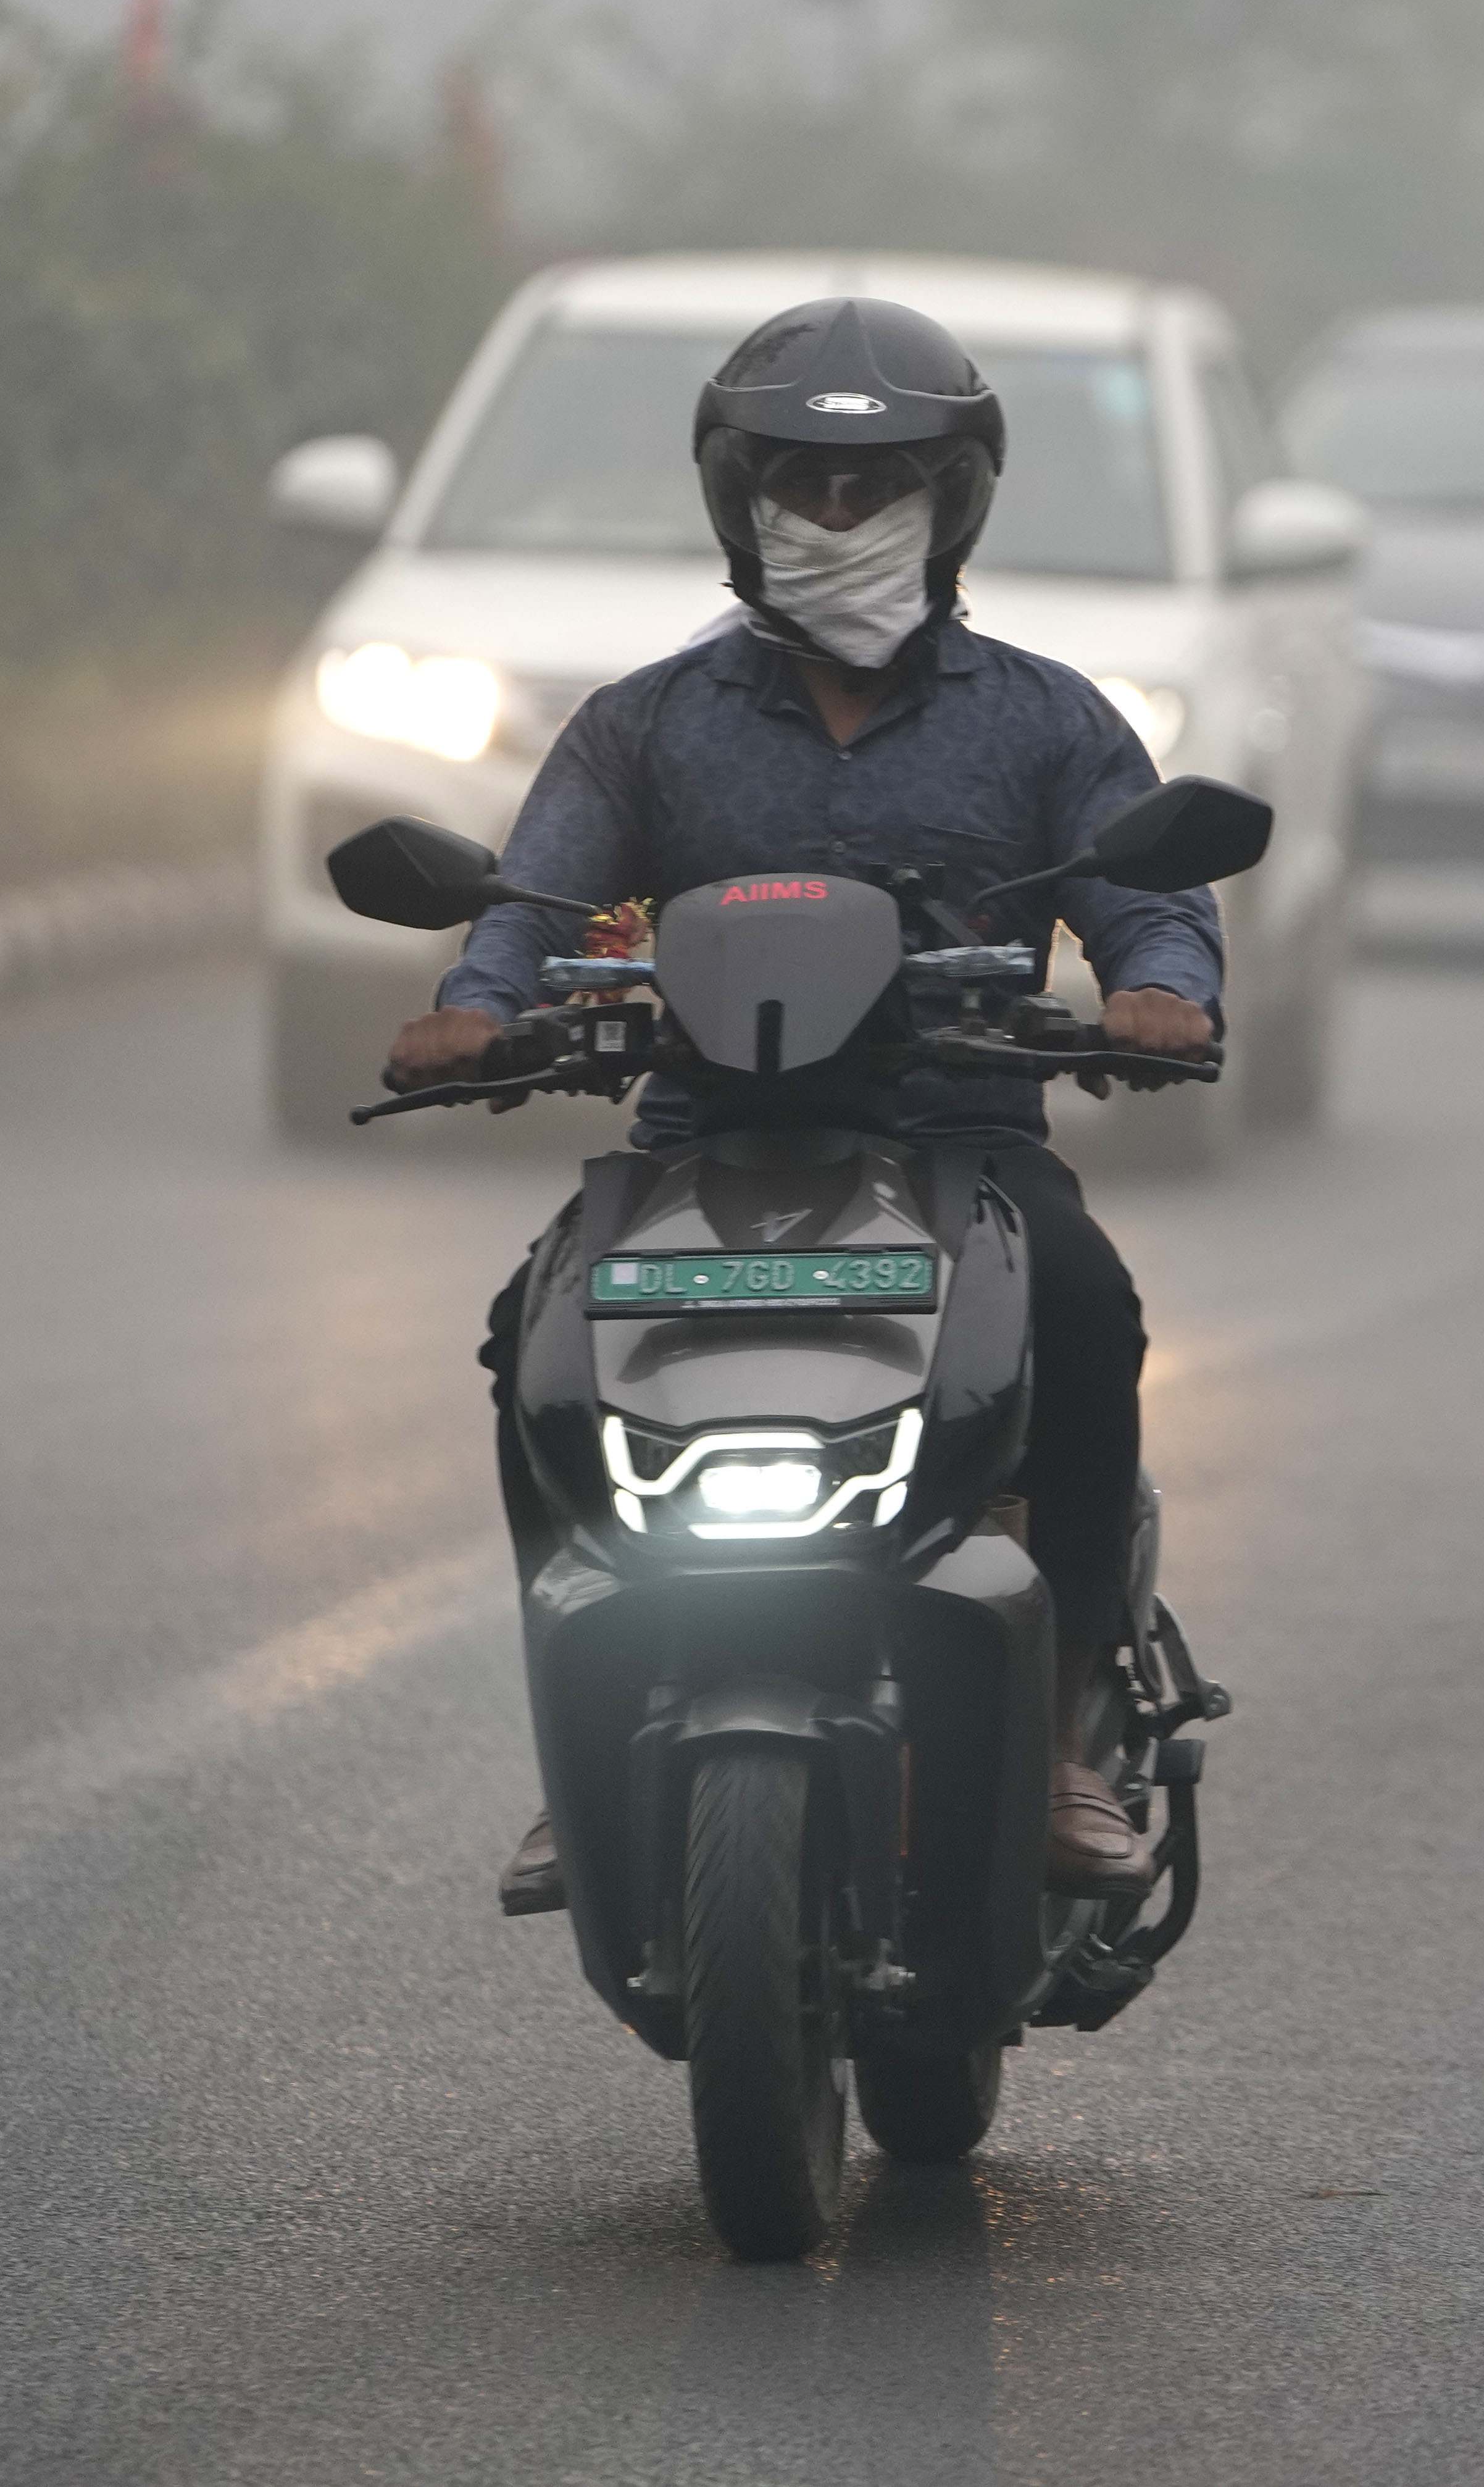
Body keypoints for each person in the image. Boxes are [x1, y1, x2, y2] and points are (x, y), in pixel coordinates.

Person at [383, 296, 1223, 1912]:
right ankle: (592, 1718)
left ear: (952, 495)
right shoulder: (642, 726)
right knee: (528, 1337)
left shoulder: (1049, 719)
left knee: (1090, 1305)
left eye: (875, 484)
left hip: (960, 1148)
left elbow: (1149, 894)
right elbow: (537, 899)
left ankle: (1053, 1731)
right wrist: (477, 1010)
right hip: (700, 1149)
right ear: (733, 490)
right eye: (801, 482)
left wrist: (1159, 988)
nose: (835, 516)